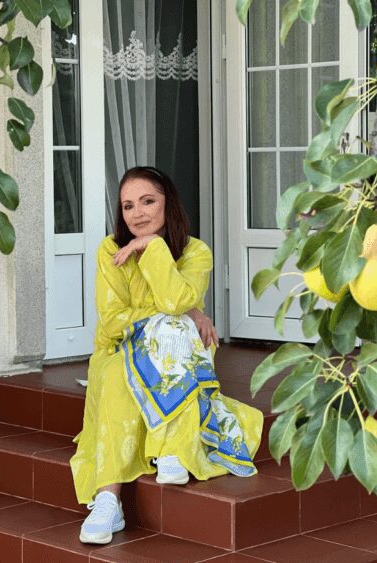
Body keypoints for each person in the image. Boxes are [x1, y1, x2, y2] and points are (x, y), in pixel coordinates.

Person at [70, 166, 263, 545]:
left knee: (177, 334)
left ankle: (170, 447)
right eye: (128, 206)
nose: (137, 214)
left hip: (176, 349)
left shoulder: (196, 251)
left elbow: (176, 299)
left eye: (147, 201)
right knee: (120, 370)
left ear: (167, 203)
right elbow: (112, 321)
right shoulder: (110, 249)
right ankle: (109, 500)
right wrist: (189, 312)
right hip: (119, 348)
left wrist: (153, 249)